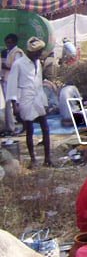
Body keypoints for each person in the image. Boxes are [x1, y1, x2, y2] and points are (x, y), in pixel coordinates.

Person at [5, 37, 52, 167]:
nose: (39, 54)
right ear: (30, 52)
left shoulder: (38, 63)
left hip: (38, 97)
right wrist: (15, 104)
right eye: (38, 52)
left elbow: (39, 82)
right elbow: (12, 84)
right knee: (29, 129)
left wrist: (45, 101)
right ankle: (33, 160)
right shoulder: (19, 64)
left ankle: (47, 158)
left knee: (45, 128)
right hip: (25, 97)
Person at [1, 33, 24, 134]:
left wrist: (5, 66)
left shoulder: (17, 52)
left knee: (14, 105)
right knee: (8, 106)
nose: (7, 45)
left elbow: (17, 68)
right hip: (7, 80)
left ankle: (17, 127)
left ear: (14, 42)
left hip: (13, 81)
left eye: (9, 43)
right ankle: (10, 127)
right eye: (6, 43)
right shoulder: (8, 52)